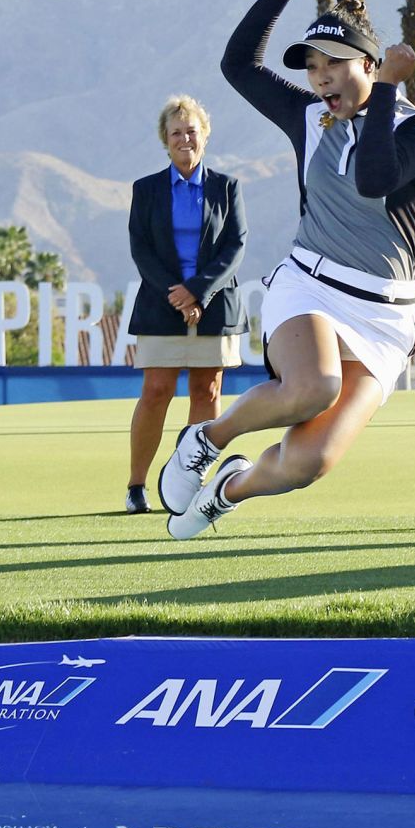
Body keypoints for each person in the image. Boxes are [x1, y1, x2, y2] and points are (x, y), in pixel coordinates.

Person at [156, 0, 415, 537]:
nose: (320, 77)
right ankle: (206, 439)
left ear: (369, 64)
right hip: (308, 284)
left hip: (384, 319)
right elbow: (238, 65)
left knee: (310, 463)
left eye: (334, 63)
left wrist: (388, 90)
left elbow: (374, 176)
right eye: (312, 65)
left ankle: (227, 490)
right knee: (313, 387)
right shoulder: (309, 117)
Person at [124, 94, 247, 514]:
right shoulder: (146, 190)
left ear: (204, 135)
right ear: (166, 139)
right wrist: (177, 294)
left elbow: (235, 248)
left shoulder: (226, 187)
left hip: (213, 303)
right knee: (156, 391)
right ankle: (136, 486)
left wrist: (198, 291)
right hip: (162, 304)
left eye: (191, 131)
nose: (184, 139)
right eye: (176, 133)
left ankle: (188, 484)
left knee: (206, 389)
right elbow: (141, 251)